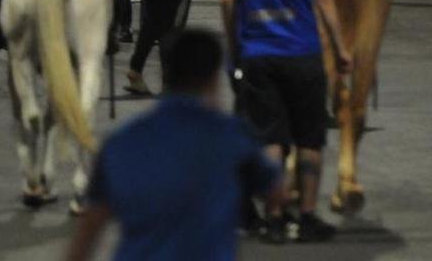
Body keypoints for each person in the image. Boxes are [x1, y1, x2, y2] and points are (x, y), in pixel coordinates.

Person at [66, 30, 283, 261]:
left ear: (165, 73)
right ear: (213, 78)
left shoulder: (121, 143)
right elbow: (276, 193)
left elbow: (88, 233)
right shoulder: (232, 137)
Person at [218, 0, 352, 243]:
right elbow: (324, 1)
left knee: (270, 140)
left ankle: (274, 217)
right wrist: (341, 50)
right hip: (303, 52)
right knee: (309, 139)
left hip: (258, 53)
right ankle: (306, 215)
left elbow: (228, 2)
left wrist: (235, 45)